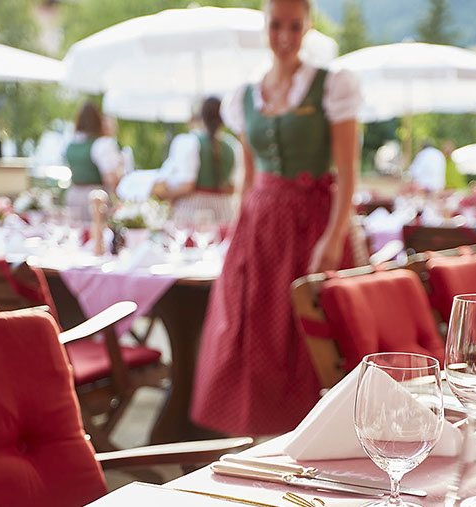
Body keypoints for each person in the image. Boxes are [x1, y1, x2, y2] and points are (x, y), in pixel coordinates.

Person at [190, 0, 362, 436]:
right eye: (276, 25)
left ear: (307, 28)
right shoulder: (245, 96)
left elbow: (347, 172)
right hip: (258, 228)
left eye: (294, 26)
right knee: (252, 330)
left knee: (310, 335)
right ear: (265, 27)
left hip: (313, 224)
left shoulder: (331, 85)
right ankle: (258, 438)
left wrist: (335, 234)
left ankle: (317, 437)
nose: (284, 36)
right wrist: (236, 233)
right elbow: (248, 176)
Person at [152, 97, 239, 224]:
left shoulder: (188, 142)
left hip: (193, 214)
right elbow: (233, 187)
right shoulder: (233, 145)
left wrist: (163, 194)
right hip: (224, 214)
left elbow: (187, 186)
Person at [64, 103, 124, 222]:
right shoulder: (102, 144)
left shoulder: (70, 144)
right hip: (96, 197)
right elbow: (111, 179)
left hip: (73, 196)